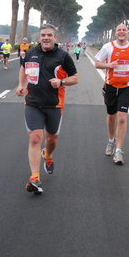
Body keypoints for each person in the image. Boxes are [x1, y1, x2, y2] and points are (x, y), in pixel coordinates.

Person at [16, 23, 78, 194]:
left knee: (51, 141)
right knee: (35, 137)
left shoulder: (63, 55)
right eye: (43, 35)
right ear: (39, 37)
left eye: (49, 35)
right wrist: (21, 85)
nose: (46, 38)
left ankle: (48, 155)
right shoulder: (31, 52)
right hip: (33, 103)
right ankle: (35, 177)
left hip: (54, 105)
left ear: (55, 37)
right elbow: (23, 67)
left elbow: (75, 78)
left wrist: (62, 82)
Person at [95, 24, 129, 165]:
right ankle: (111, 141)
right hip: (110, 87)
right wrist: (109, 65)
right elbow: (97, 64)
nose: (121, 32)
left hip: (126, 87)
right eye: (119, 30)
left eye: (124, 30)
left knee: (122, 118)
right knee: (111, 116)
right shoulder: (107, 47)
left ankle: (118, 151)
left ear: (127, 33)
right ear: (115, 33)